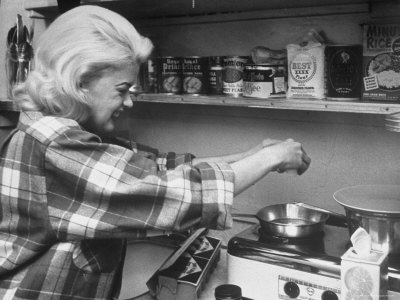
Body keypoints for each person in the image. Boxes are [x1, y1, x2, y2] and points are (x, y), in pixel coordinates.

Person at [0, 5, 311, 300]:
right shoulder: (54, 146)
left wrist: (252, 154)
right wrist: (272, 157)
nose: (129, 103)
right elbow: (167, 193)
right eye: (122, 90)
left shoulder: (64, 135)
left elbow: (153, 170)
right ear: (81, 82)